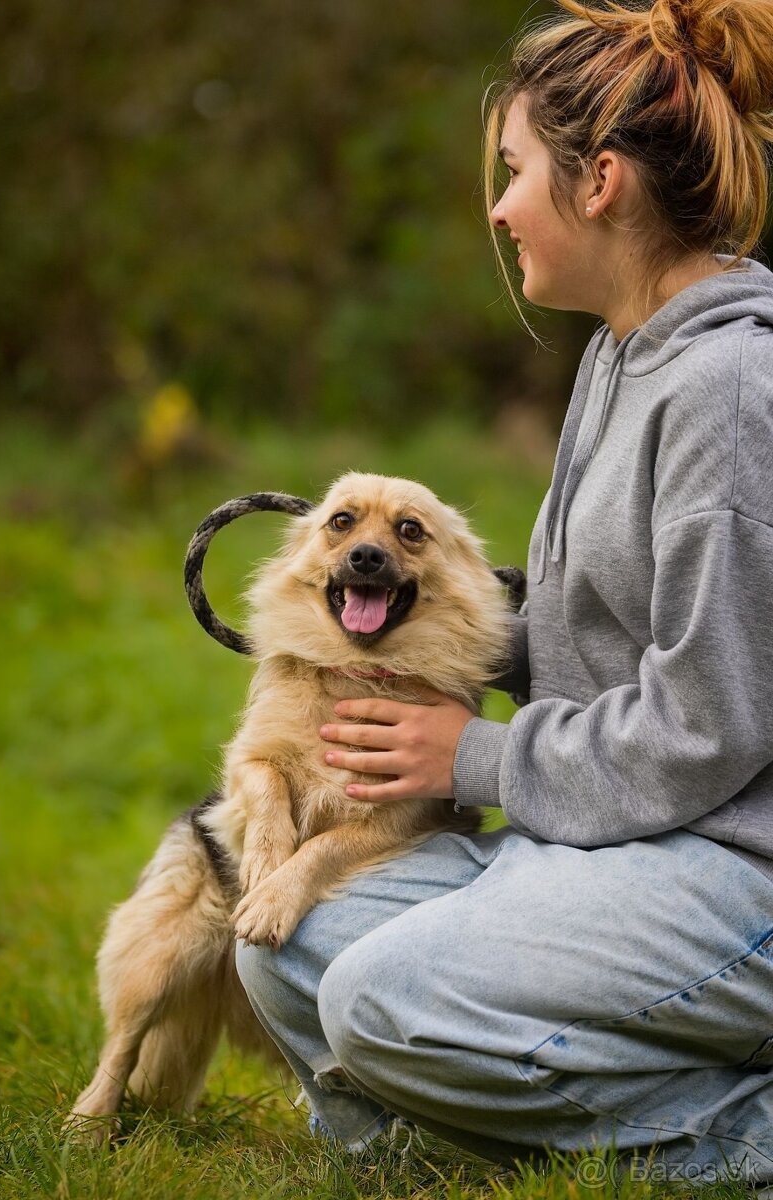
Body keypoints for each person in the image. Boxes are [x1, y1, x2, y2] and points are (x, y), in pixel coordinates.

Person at [236, 0, 773, 1184]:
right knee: (279, 936)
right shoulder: (621, 352)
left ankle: (741, 1136)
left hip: (732, 867)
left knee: (379, 998)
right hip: (600, 839)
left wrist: (467, 759)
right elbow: (600, 629)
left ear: (601, 184)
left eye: (513, 171)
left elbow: (709, 722)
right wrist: (401, 637)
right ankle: (484, 1144)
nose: (495, 206)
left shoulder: (729, 387)